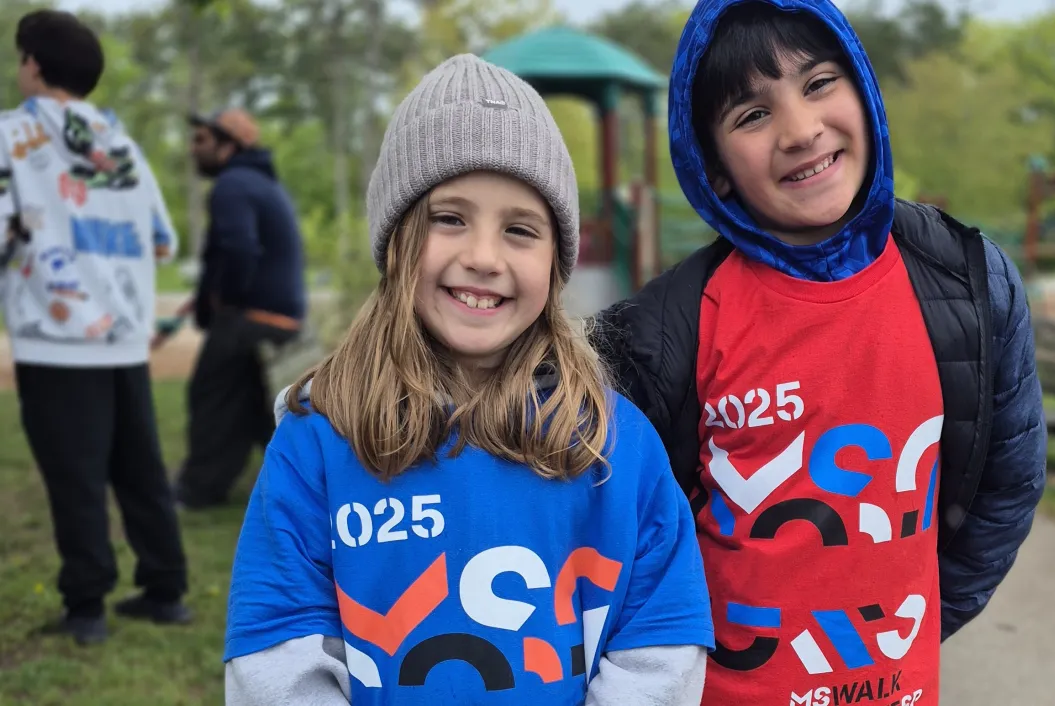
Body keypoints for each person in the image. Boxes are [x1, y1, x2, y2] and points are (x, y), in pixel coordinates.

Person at [590, 0, 1047, 703]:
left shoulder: (968, 279)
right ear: (712, 168)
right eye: (752, 115)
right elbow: (605, 537)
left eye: (819, 83)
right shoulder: (664, 329)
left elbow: (1007, 487)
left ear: (863, 90)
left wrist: (918, 632)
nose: (801, 131)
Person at [222, 55, 714, 705]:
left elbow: (659, 644)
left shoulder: (615, 442)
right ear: (396, 242)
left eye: (519, 230)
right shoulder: (318, 441)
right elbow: (276, 655)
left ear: (555, 262)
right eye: (449, 218)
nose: (483, 258)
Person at [0, 9, 191, 645]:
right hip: (124, 334)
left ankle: (86, 608)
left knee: (75, 477)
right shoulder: (122, 146)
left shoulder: (9, 136)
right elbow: (162, 241)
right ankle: (166, 590)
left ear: (32, 64)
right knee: (140, 468)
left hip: (54, 340)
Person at [169, 107, 307, 510]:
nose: (193, 148)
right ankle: (295, 486)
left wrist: (224, 302)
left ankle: (196, 493)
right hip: (276, 318)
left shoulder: (232, 185)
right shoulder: (262, 184)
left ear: (228, 145)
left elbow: (241, 249)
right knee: (253, 408)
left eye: (202, 140)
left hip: (250, 318)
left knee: (211, 400)